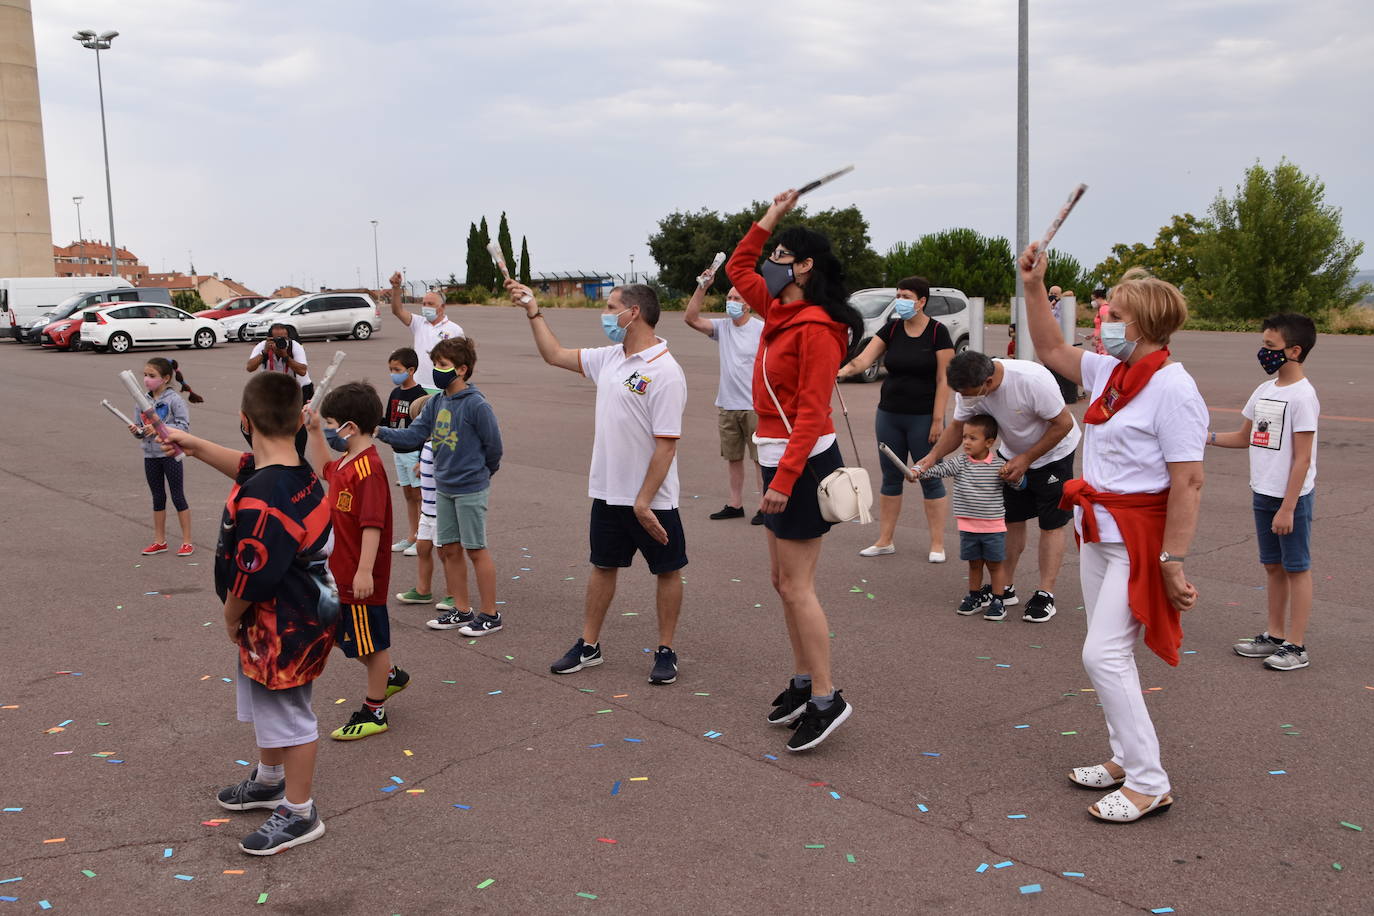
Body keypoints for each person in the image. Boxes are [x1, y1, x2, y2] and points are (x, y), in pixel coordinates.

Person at [1022, 246, 1206, 823]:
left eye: (1114, 314)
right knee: (1111, 654)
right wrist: (1033, 287)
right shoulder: (1111, 372)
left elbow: (1190, 481)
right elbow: (1051, 348)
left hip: (1138, 535)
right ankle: (1126, 758)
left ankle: (1151, 782)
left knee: (1102, 655)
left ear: (1144, 324)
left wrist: (1173, 559)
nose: (1104, 321)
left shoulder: (1175, 389)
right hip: (1097, 529)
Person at [162, 371, 335, 855]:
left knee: (290, 714)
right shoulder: (295, 473)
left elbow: (254, 572)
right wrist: (191, 444)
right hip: (303, 613)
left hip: (284, 624)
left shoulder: (265, 498)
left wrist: (230, 615)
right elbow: (248, 467)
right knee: (267, 701)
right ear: (299, 420)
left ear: (244, 420)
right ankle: (269, 780)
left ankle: (300, 813)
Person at [725, 188, 863, 752]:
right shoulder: (777, 307)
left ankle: (828, 698)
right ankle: (804, 683)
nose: (770, 264)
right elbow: (736, 266)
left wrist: (782, 483)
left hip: (800, 462)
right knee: (781, 582)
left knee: (799, 586)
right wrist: (772, 216)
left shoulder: (818, 327)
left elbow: (812, 413)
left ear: (805, 267)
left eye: (782, 255)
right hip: (772, 454)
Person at [503, 277, 687, 685]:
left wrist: (643, 501)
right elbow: (553, 354)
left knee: (667, 570)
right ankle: (589, 645)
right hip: (608, 493)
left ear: (633, 313)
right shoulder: (610, 358)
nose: (605, 314)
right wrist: (533, 310)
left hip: (652, 499)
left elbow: (666, 447)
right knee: (603, 566)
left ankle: (666, 650)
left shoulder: (666, 371)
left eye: (610, 306)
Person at [916, 349, 1081, 623]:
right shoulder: (969, 387)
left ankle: (1045, 594)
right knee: (1011, 519)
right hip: (1013, 453)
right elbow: (958, 427)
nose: (964, 399)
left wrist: (1027, 459)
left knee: (1050, 523)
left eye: (969, 394)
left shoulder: (1031, 381)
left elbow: (1062, 424)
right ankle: (1004, 588)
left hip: (1054, 453)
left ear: (988, 382)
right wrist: (932, 458)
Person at [1210, 313, 1319, 671]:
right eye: (1263, 345)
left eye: (1270, 347)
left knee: (1296, 567)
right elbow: (1245, 437)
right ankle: (1274, 635)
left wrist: (1288, 507)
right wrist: (1204, 438)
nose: (1263, 352)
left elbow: (1302, 459)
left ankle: (1297, 645)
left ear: (1295, 350)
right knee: (1273, 567)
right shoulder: (1264, 391)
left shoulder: (1303, 397)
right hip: (1263, 492)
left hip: (1292, 498)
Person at [375, 338, 505, 637]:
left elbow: (494, 447)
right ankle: (461, 609)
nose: (437, 370)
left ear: (463, 369)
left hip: (470, 487)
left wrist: (481, 474)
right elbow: (413, 436)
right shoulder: (435, 402)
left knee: (475, 550)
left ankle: (490, 614)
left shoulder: (476, 404)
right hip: (444, 487)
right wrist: (379, 430)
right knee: (448, 549)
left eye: (443, 365)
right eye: (435, 364)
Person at [305, 381, 411, 740]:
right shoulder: (348, 462)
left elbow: (372, 525)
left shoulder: (369, 470)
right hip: (340, 573)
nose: (332, 429)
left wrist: (365, 571)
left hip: (359, 577)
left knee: (372, 644)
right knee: (343, 635)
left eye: (333, 423)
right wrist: (316, 430)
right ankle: (390, 676)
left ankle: (374, 710)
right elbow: (324, 469)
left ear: (350, 427)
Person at [838, 275, 953, 562]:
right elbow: (864, 360)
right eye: (898, 295)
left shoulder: (939, 333)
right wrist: (838, 371)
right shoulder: (892, 328)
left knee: (929, 477)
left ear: (922, 301)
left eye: (906, 297)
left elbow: (944, 379)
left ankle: (937, 544)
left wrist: (938, 420)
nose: (900, 302)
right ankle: (885, 539)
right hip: (889, 414)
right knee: (891, 478)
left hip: (924, 417)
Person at [683, 269, 765, 524]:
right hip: (728, 405)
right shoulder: (722, 327)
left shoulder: (761, 329)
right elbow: (691, 318)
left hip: (755, 406)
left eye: (738, 299)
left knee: (760, 459)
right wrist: (702, 287)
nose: (732, 303)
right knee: (733, 457)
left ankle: (765, 506)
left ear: (749, 304)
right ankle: (735, 503)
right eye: (729, 298)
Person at [917, 414, 1014, 620]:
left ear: (989, 442)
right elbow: (939, 470)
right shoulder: (960, 462)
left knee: (995, 565)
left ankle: (998, 600)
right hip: (968, 526)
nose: (966, 442)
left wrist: (1014, 475)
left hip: (993, 528)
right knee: (974, 564)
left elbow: (1018, 484)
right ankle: (974, 596)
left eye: (973, 438)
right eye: (964, 437)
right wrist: (920, 471)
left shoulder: (999, 466)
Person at [129, 357, 201, 557]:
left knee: (178, 496)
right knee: (158, 497)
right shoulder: (141, 400)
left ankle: (187, 541)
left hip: (170, 454)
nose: (146, 379)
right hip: (150, 455)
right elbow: (140, 429)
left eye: (152, 376)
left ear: (166, 378)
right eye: (145, 375)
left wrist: (160, 428)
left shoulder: (174, 400)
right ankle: (159, 541)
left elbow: (184, 426)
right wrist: (137, 430)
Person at [383, 347, 427, 555]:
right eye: (391, 369)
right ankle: (412, 535)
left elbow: (425, 430)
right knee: (408, 495)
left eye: (397, 369)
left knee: (420, 496)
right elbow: (387, 421)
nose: (393, 373)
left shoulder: (421, 396)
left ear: (411, 370)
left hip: (414, 453)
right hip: (398, 451)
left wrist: (422, 457)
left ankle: (423, 538)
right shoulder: (395, 393)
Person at [387, 271, 464, 387]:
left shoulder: (454, 329)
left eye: (430, 304)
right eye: (424, 304)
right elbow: (397, 310)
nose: (426, 307)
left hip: (442, 387)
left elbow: (462, 360)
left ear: (442, 307)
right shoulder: (418, 322)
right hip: (419, 385)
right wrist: (396, 287)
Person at [1046, 285, 1080, 405]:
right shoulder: (1047, 305)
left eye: (1055, 293)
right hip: (1049, 342)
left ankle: (1070, 395)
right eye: (1051, 293)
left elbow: (1070, 292)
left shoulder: (1062, 304)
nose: (1052, 295)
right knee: (1051, 369)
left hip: (1063, 341)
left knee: (1065, 368)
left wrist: (1058, 299)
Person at [1090, 288, 1110, 355]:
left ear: (1099, 298)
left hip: (1102, 343)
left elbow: (1105, 326)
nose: (1092, 302)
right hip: (1100, 341)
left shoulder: (1104, 309)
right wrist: (1092, 335)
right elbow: (1099, 326)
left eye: (1093, 299)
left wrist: (1097, 340)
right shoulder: (1102, 308)